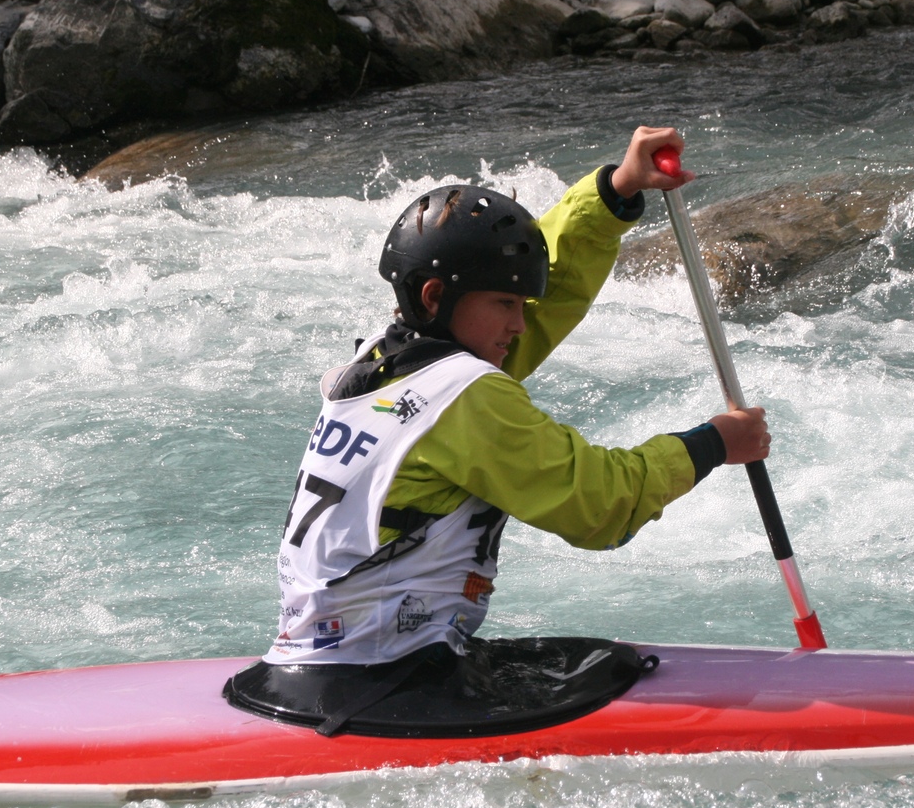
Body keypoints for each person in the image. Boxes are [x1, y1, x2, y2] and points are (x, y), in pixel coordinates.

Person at [264, 126, 771, 669]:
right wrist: (713, 444)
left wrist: (613, 193)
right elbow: (600, 506)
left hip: (327, 656)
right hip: (387, 671)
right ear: (435, 296)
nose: (521, 324)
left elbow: (547, 291)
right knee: (615, 668)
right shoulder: (463, 399)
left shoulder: (381, 363)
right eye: (506, 304)